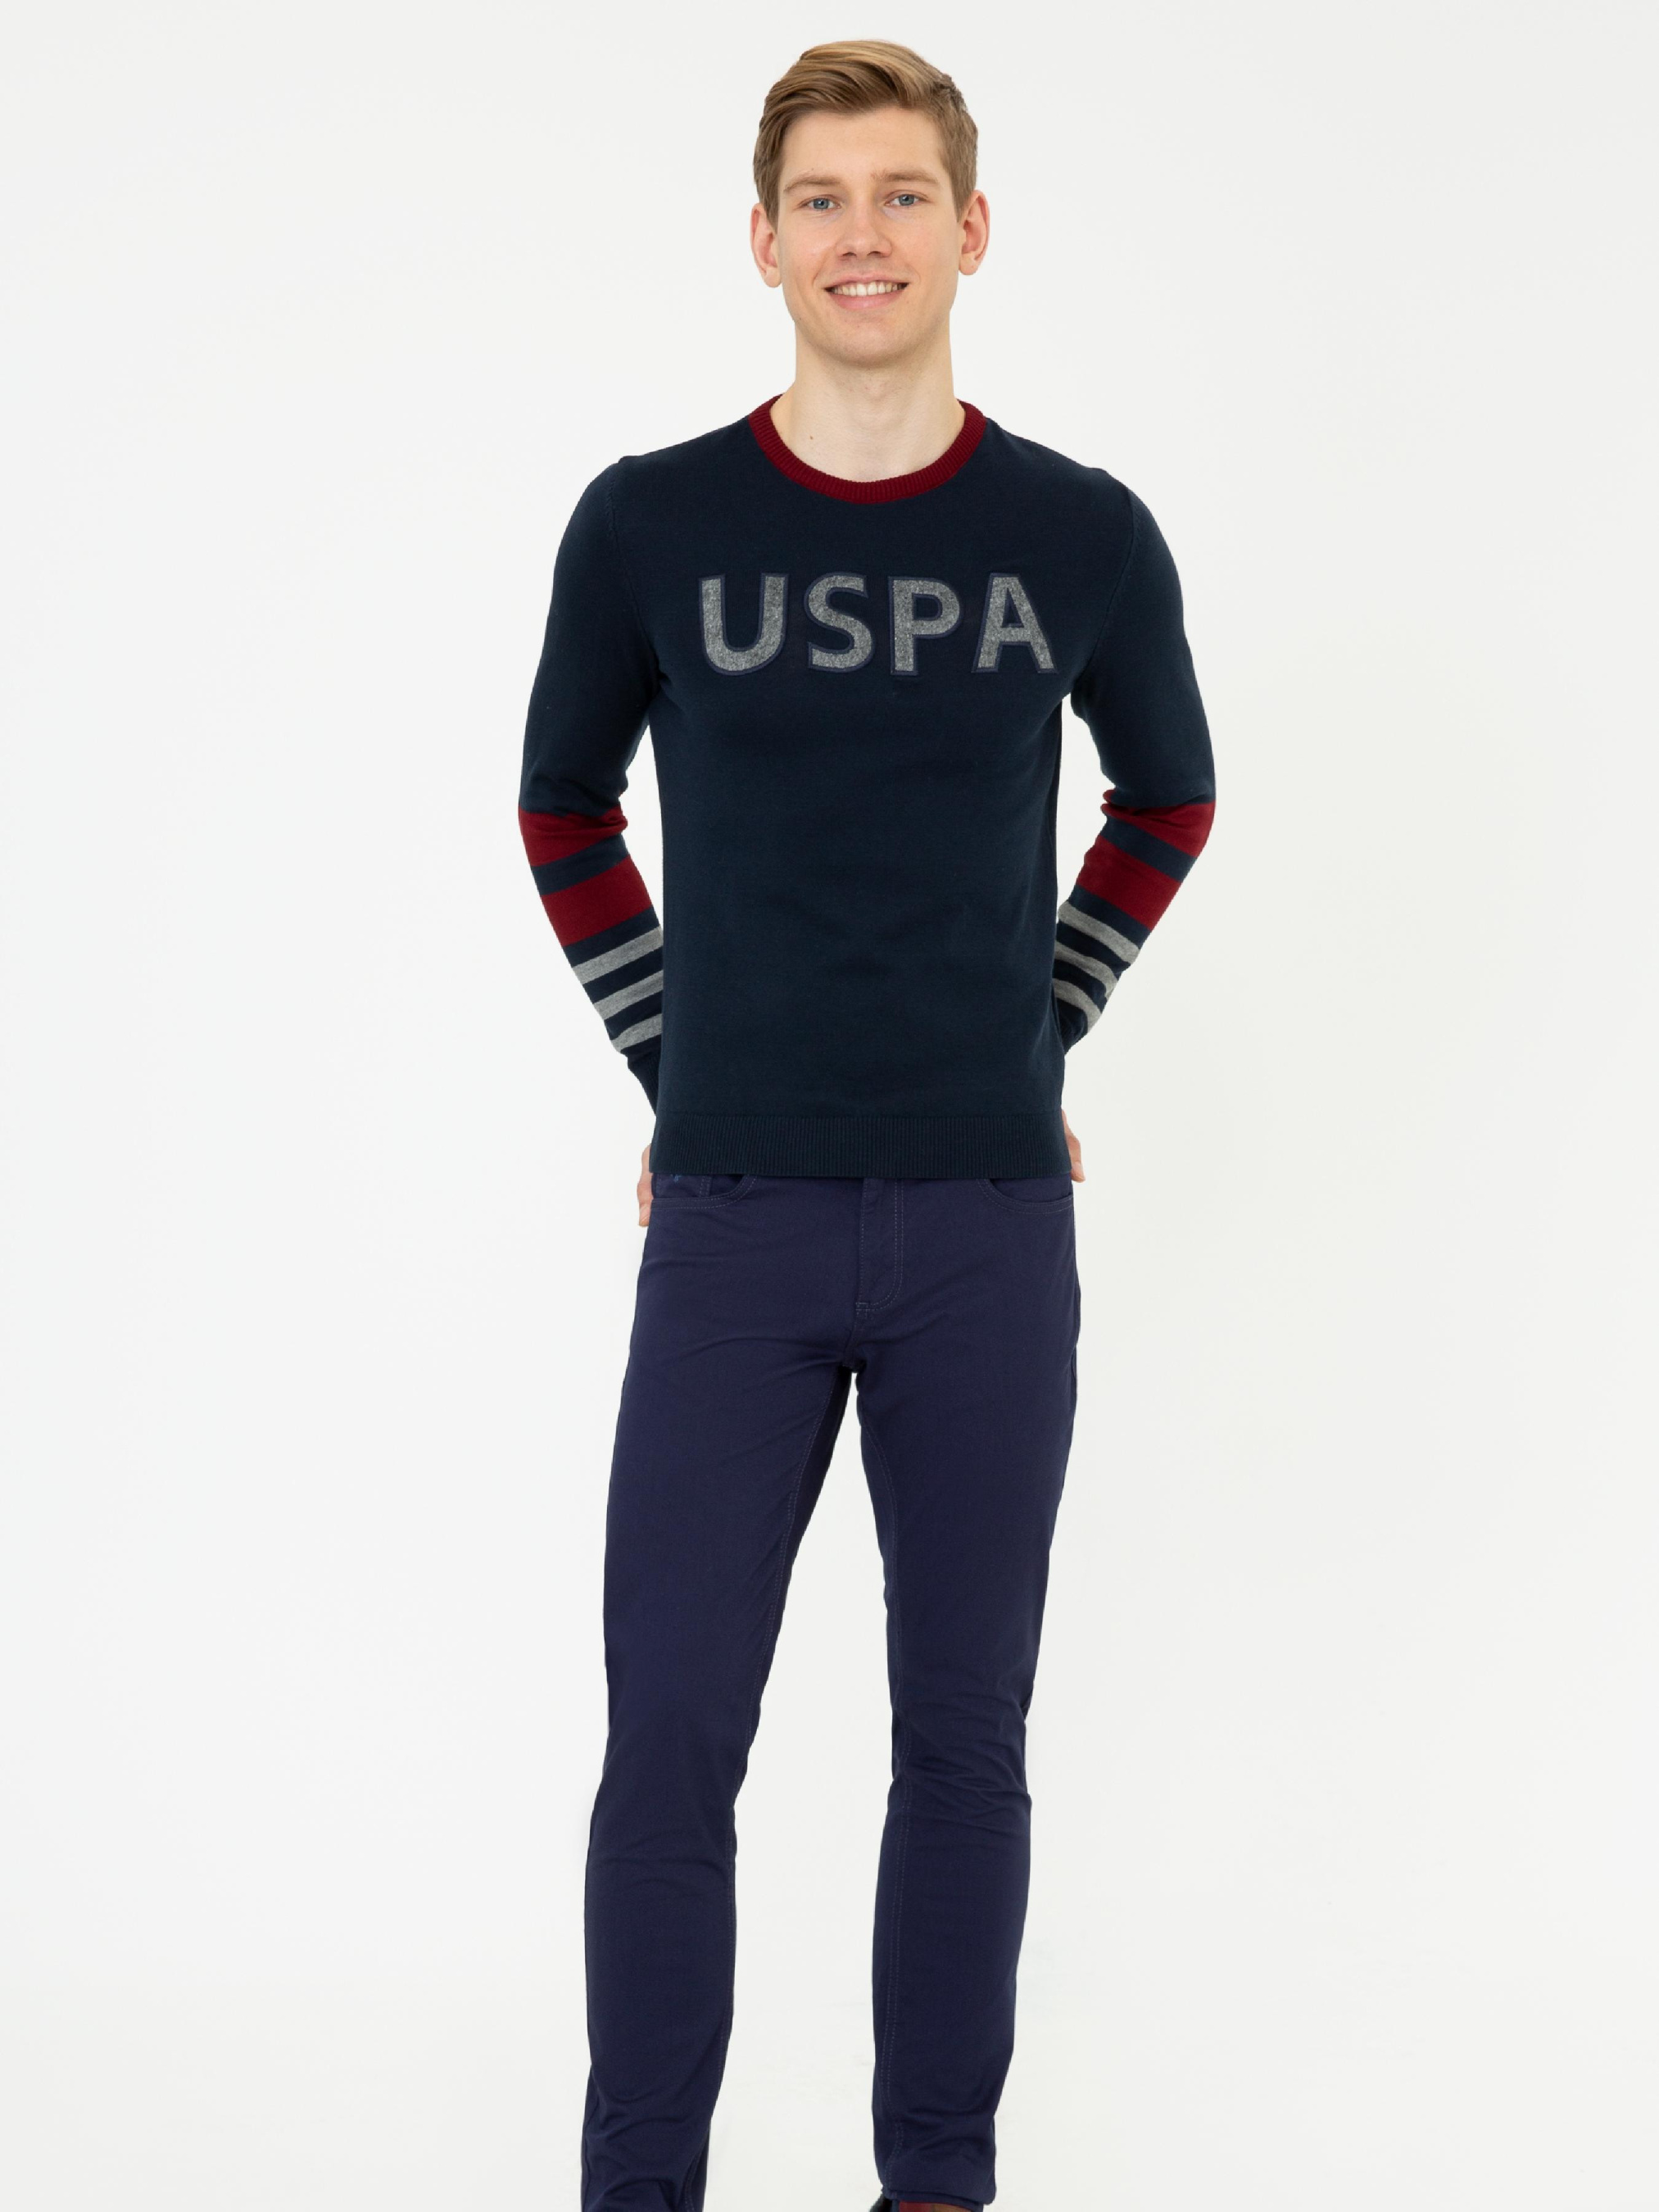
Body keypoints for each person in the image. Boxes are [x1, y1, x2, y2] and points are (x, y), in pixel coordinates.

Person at [517, 39, 1216, 2212]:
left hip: (986, 1219)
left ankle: (934, 2183)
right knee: (670, 1738)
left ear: (971, 230)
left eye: (903, 195)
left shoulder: (1076, 533)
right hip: (731, 1216)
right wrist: (681, 1061)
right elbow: (560, 810)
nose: (863, 237)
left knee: (962, 1740)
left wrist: (1040, 1028)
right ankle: (638, 2187)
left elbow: (1169, 798)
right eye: (821, 200)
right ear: (762, 241)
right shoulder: (651, 522)